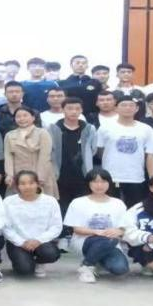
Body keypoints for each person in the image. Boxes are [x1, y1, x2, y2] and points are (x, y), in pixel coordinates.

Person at [63, 167, 130, 283]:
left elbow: (124, 227)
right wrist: (96, 232)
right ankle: (87, 266)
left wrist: (119, 231)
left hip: (110, 243)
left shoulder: (118, 203)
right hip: (84, 240)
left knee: (120, 268)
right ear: (88, 183)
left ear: (109, 183)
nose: (99, 185)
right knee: (109, 240)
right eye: (95, 181)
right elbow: (76, 229)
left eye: (103, 181)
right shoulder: (78, 202)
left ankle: (95, 261)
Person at [47, 97, 102, 227]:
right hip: (59, 174)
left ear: (82, 110)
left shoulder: (89, 128)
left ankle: (79, 230)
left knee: (81, 205)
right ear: (63, 110)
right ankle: (63, 231)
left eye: (77, 109)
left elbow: (93, 149)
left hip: (82, 174)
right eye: (70, 108)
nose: (73, 111)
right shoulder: (53, 128)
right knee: (61, 205)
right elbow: (49, 150)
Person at [2, 170, 63, 277]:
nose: (27, 186)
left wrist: (38, 240)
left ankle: (39, 262)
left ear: (37, 184)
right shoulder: (8, 202)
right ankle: (24, 262)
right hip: (18, 243)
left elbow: (56, 226)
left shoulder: (50, 201)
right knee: (24, 270)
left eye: (31, 183)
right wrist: (21, 242)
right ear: (17, 186)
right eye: (23, 183)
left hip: (42, 242)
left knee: (51, 254)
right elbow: (5, 227)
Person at [96, 96, 153, 207]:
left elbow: (149, 154)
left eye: (131, 105)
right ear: (116, 108)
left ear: (137, 109)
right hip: (111, 176)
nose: (127, 108)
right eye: (123, 105)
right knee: (111, 207)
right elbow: (100, 150)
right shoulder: (105, 127)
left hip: (136, 177)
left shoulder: (146, 129)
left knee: (134, 208)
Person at [4, 107, 57, 196]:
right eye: (18, 116)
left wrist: (40, 177)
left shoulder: (42, 133)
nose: (22, 119)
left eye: (25, 115)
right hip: (18, 175)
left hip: (38, 174)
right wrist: (9, 175)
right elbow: (8, 157)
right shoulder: (9, 135)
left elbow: (45, 156)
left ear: (33, 118)